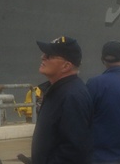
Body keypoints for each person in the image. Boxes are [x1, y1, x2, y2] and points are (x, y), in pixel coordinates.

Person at [32, 36, 93, 164]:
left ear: (66, 66)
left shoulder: (72, 96)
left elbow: (73, 150)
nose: (42, 57)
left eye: (49, 55)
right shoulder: (58, 91)